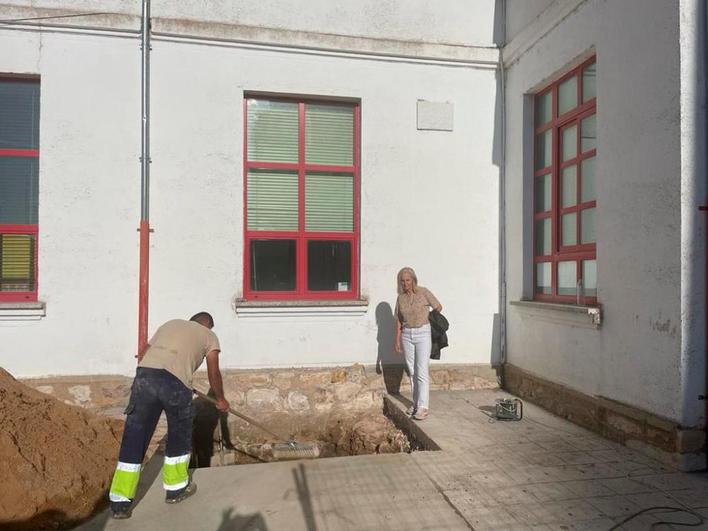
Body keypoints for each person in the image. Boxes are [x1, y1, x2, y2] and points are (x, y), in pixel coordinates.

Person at [108, 312, 230, 519]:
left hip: (144, 378)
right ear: (208, 325)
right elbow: (213, 372)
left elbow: (145, 351)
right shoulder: (209, 336)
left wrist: (157, 378)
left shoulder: (170, 324)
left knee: (135, 436)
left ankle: (120, 503)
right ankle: (176, 490)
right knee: (179, 435)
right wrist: (220, 399)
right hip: (175, 384)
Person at [394, 267, 442, 421]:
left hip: (423, 332)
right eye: (402, 280)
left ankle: (423, 407)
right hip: (407, 334)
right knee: (412, 370)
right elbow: (399, 320)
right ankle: (415, 404)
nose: (405, 283)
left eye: (408, 280)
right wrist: (397, 339)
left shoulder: (423, 292)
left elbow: (438, 306)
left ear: (413, 279)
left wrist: (428, 318)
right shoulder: (400, 298)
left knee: (421, 370)